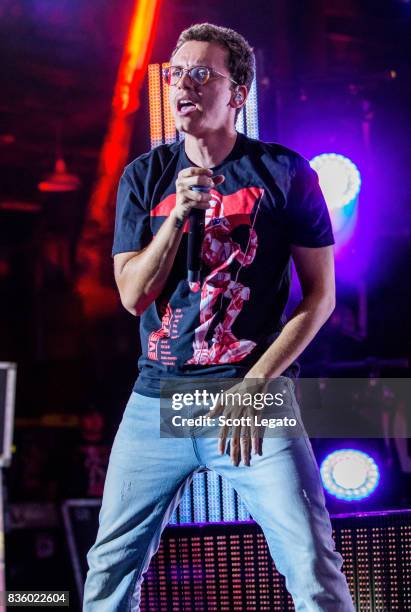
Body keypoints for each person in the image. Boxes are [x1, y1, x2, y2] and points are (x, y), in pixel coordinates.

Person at [83, 23, 355, 611]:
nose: (183, 84)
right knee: (109, 571)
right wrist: (178, 214)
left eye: (201, 73)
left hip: (249, 395)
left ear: (238, 92)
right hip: (158, 401)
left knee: (311, 563)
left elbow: (320, 297)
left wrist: (260, 380)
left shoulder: (285, 174)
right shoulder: (145, 177)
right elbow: (132, 295)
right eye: (177, 73)